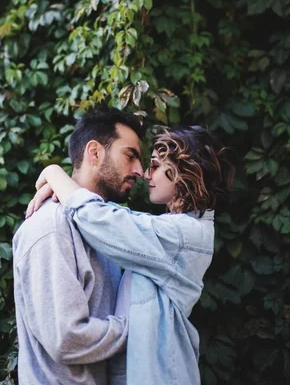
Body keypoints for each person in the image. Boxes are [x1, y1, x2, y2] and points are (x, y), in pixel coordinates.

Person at [27, 125, 234, 385]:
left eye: (156, 165)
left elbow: (102, 221)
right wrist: (65, 191)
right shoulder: (179, 229)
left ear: (186, 171)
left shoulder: (182, 236)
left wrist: (54, 174)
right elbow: (118, 220)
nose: (146, 174)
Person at [13, 107, 144, 385]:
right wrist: (138, 327)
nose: (140, 171)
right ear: (94, 153)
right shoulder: (51, 227)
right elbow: (66, 338)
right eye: (130, 156)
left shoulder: (105, 228)